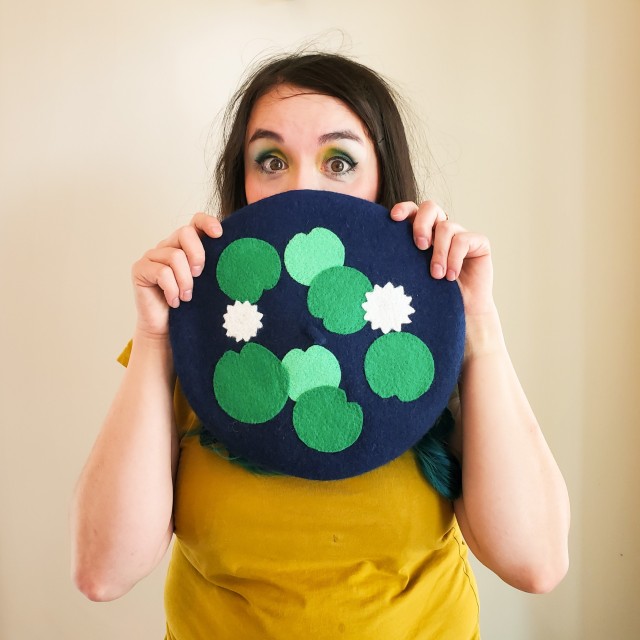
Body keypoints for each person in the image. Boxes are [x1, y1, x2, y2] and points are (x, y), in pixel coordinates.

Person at [71, 52, 570, 639]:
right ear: (244, 183)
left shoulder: (427, 335)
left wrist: (477, 325)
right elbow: (103, 574)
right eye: (272, 160)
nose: (302, 187)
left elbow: (535, 563)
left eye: (339, 161)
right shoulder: (204, 333)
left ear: (385, 183)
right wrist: (156, 340)